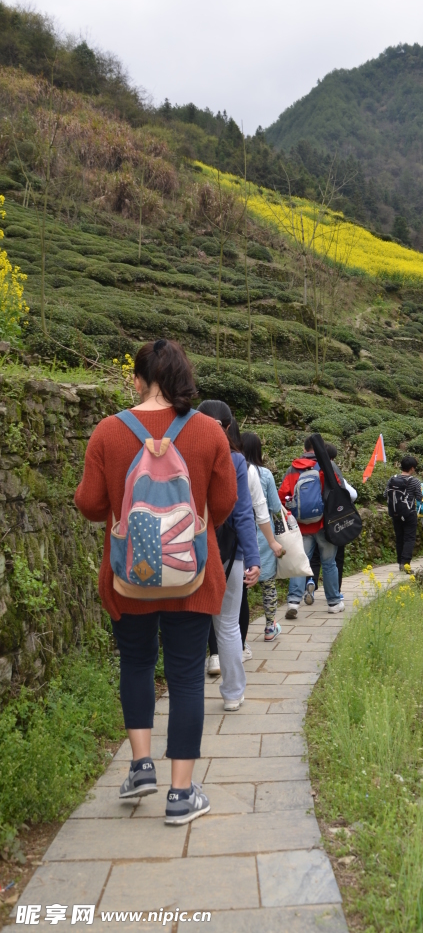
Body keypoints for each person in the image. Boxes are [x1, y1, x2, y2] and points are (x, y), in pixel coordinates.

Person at [74, 339, 238, 825]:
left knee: (137, 663)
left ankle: (141, 766)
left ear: (139, 379)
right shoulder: (209, 431)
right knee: (186, 676)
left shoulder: (109, 431)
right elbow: (224, 503)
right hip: (193, 575)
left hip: (130, 576)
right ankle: (181, 795)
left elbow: (90, 504)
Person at [197, 402, 260, 711]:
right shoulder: (235, 461)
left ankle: (188, 695)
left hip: (189, 551)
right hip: (229, 552)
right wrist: (253, 559)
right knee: (228, 624)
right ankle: (233, 694)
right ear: (228, 426)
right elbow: (243, 513)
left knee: (192, 624)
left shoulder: (183, 453)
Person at [279, 436, 347, 617]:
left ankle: (294, 602)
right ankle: (334, 603)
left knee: (301, 563)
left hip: (302, 526)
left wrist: (293, 515)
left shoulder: (293, 468)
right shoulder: (328, 466)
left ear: (304, 448)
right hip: (325, 525)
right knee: (329, 563)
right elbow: (341, 491)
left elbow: (282, 496)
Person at [242, 431, 286, 642]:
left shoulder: (236, 469)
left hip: (242, 538)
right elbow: (275, 506)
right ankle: (270, 627)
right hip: (264, 537)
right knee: (268, 586)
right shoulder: (265, 474)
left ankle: (239, 636)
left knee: (241, 591)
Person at [309, 444, 357, 594]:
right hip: (333, 518)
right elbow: (351, 494)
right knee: (335, 558)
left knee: (314, 555)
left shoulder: (309, 467)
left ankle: (311, 583)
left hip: (312, 518)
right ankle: (336, 590)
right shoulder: (332, 467)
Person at [386, 455, 422, 568]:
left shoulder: (392, 479)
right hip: (409, 513)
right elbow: (419, 497)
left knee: (399, 537)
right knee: (409, 538)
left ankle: (399, 561)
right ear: (412, 468)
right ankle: (405, 563)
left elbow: (385, 494)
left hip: (395, 513)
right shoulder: (415, 481)